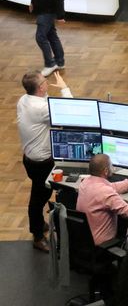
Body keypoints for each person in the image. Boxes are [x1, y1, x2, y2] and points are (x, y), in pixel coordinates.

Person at [17, 70, 73, 252]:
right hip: (41, 163)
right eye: (44, 82)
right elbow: (70, 113)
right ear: (40, 88)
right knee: (39, 197)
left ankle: (40, 224)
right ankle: (38, 235)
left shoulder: (24, 100)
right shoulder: (40, 108)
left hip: (29, 158)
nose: (47, 83)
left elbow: (47, 102)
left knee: (39, 193)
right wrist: (65, 89)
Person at [76, 153, 128, 246]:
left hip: (85, 240)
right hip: (103, 245)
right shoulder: (105, 192)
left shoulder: (85, 183)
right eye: (111, 165)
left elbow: (113, 187)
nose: (113, 167)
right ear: (105, 171)